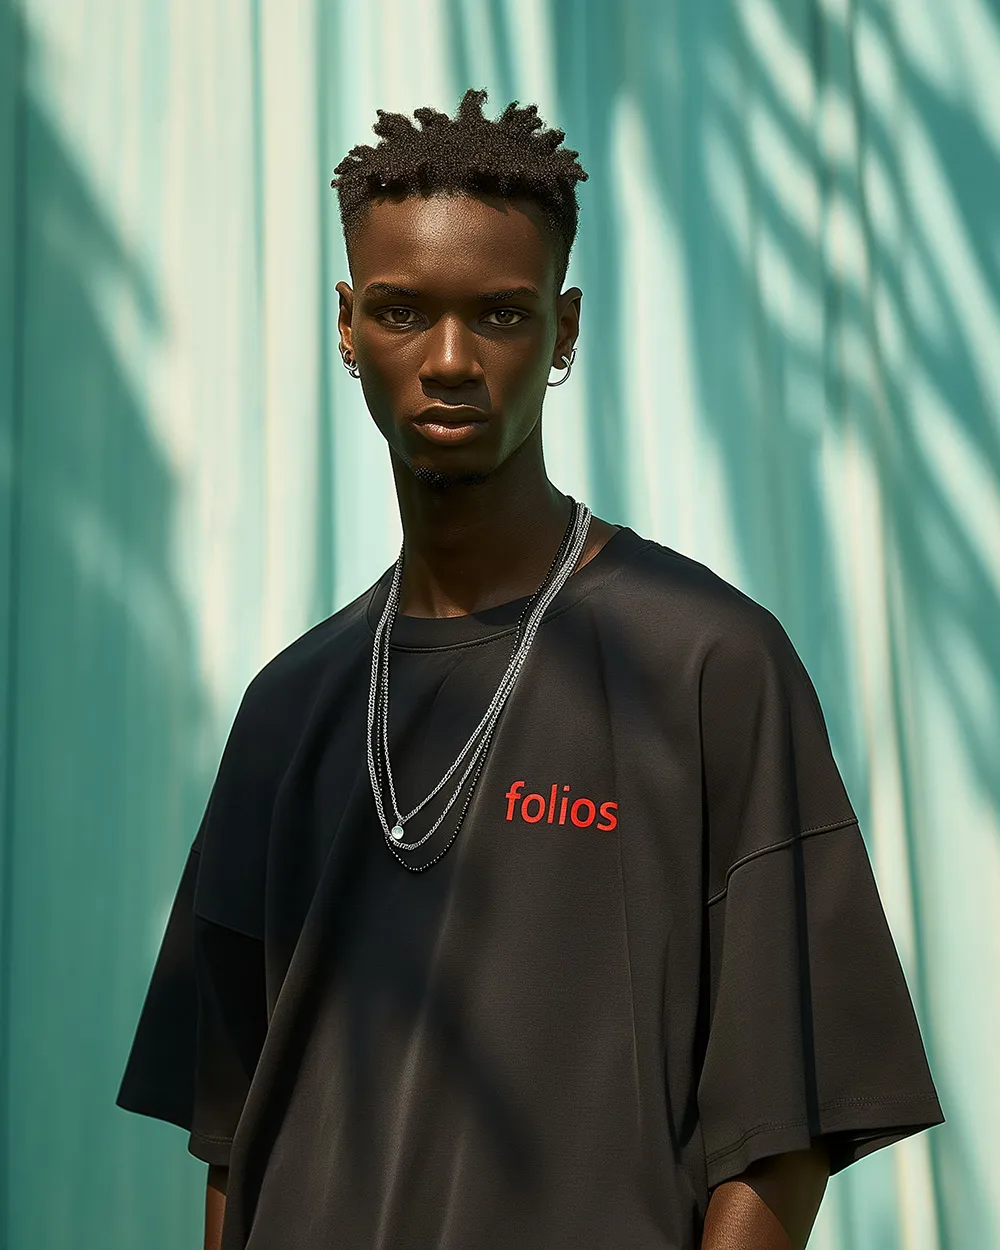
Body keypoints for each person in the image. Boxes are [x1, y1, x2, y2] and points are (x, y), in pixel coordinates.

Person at [116, 88, 944, 1250]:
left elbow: (780, 1128)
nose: (448, 361)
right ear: (346, 323)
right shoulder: (286, 707)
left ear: (562, 330)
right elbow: (230, 1135)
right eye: (403, 311)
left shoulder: (709, 663)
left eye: (499, 316)